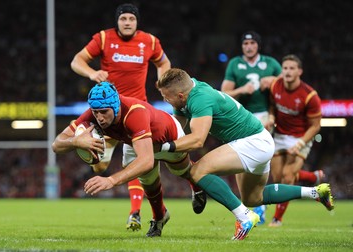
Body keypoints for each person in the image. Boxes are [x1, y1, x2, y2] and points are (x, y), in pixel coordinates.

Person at [156, 68, 334, 240]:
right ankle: (316, 193)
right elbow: (176, 129)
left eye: (166, 97)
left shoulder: (199, 99)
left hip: (252, 143)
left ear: (180, 95)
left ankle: (244, 217)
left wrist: (162, 148)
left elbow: (197, 140)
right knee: (254, 198)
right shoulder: (186, 94)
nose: (165, 100)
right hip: (257, 141)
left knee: (198, 172)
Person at [70, 3, 194, 231]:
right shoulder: (103, 39)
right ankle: (141, 204)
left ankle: (135, 212)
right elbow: (76, 61)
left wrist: (162, 79)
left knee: (136, 161)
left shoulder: (150, 41)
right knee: (98, 166)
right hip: (105, 113)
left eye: (131, 19)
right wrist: (92, 72)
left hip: (135, 113)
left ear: (137, 22)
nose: (127, 22)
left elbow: (163, 62)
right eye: (123, 18)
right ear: (117, 21)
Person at [52, 82, 206, 237]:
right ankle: (160, 217)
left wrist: (111, 180)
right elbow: (56, 145)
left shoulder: (134, 113)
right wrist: (74, 141)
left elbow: (147, 161)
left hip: (167, 137)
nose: (99, 118)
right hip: (136, 141)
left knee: (182, 170)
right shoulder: (95, 112)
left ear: (116, 106)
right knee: (148, 181)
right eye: (95, 112)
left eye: (104, 112)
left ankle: (196, 185)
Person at [221, 31, 324, 224]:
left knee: (264, 165)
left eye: (252, 43)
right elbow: (224, 94)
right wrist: (241, 90)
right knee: (245, 164)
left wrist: (273, 86)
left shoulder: (272, 64)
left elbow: (283, 87)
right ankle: (308, 179)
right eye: (245, 43)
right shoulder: (234, 64)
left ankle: (261, 209)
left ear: (258, 45)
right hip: (240, 118)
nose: (249, 46)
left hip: (264, 121)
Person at [262, 54, 323, 227]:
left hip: (300, 137)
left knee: (287, 178)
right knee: (277, 176)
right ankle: (311, 177)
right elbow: (273, 106)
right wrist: (271, 118)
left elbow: (315, 126)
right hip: (280, 136)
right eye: (285, 68)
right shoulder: (275, 85)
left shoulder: (310, 96)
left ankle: (277, 219)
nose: (287, 71)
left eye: (291, 68)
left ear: (299, 71)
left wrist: (301, 143)